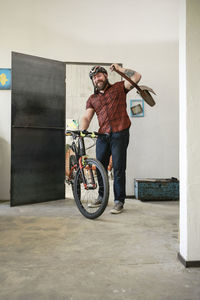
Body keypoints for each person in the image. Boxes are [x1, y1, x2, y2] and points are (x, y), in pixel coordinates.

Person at [80, 64, 141, 214]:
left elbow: (137, 77)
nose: (97, 79)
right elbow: (87, 117)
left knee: (119, 168)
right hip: (103, 135)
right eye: (94, 77)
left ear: (106, 76)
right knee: (100, 167)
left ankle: (119, 201)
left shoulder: (120, 88)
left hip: (120, 133)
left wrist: (120, 70)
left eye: (99, 75)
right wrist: (82, 130)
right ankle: (101, 196)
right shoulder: (92, 99)